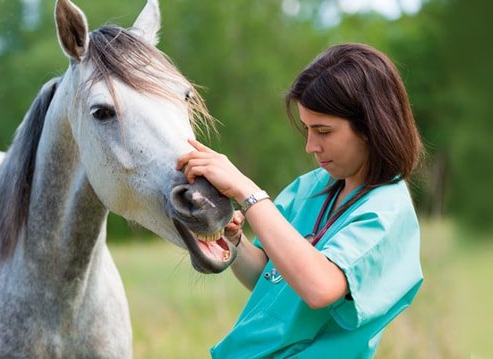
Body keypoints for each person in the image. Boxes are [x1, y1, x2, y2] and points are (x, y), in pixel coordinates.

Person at [177, 43, 424, 358]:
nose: (310, 146)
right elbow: (269, 279)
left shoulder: (386, 210)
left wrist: (247, 192)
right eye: (307, 129)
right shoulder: (313, 186)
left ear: (370, 127)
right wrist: (234, 239)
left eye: (323, 131)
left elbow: (319, 288)